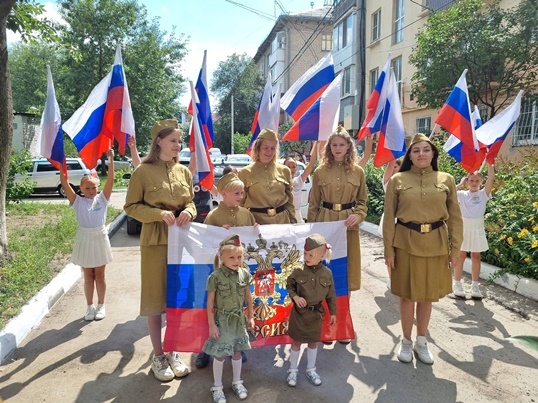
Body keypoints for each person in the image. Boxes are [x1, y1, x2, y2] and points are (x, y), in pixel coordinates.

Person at [124, 119, 196, 381]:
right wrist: (157, 213)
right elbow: (130, 207)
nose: (178, 145)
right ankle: (158, 355)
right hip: (155, 239)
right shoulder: (142, 171)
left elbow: (191, 203)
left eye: (179, 141)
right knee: (155, 301)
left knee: (177, 300)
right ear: (159, 142)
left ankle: (173, 351)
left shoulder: (184, 172)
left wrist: (188, 211)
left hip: (181, 239)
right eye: (173, 140)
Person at [383, 133, 463, 365]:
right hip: (405, 242)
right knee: (407, 296)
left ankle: (421, 340)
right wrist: (388, 250)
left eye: (426, 150)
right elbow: (389, 218)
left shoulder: (446, 179)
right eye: (416, 150)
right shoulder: (398, 180)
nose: (421, 154)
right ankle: (406, 341)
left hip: (436, 244)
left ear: (433, 154)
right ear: (410, 155)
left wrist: (455, 249)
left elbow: (456, 217)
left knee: (427, 297)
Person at [194, 172, 256, 370]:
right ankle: (206, 349)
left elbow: (252, 241)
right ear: (223, 194)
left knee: (236, 308)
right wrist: (218, 233)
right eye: (236, 193)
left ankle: (237, 346)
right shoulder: (214, 215)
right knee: (214, 309)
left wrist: (256, 229)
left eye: (242, 193)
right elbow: (205, 241)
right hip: (218, 275)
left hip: (238, 275)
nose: (240, 197)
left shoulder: (246, 214)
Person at [307, 126, 368, 294]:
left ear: (348, 146)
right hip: (325, 222)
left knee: (346, 269)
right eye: (334, 145)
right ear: (329, 147)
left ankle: (343, 312)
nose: (338, 149)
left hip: (348, 224)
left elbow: (363, 202)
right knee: (323, 264)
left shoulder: (358, 172)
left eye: (341, 145)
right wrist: (312, 232)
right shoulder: (320, 172)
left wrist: (358, 215)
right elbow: (314, 204)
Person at [61, 149, 115, 322]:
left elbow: (111, 180)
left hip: (99, 237)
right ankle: (89, 306)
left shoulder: (102, 199)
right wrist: (62, 166)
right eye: (87, 188)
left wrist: (111, 160)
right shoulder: (76, 201)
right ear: (81, 189)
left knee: (100, 275)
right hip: (84, 238)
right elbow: (64, 183)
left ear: (97, 187)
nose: (91, 190)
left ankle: (101, 305)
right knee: (88, 276)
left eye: (94, 187)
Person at [203, 234, 254, 403]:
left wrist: (251, 316)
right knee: (220, 355)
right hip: (222, 320)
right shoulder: (215, 277)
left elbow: (248, 297)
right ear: (222, 258)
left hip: (238, 319)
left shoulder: (244, 274)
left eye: (239, 257)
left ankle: (237, 382)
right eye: (231, 257)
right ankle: (217, 387)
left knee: (237, 352)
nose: (236, 260)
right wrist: (212, 325)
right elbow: (210, 303)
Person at [285, 234, 336, 387]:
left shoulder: (327, 273)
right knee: (296, 342)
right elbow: (290, 286)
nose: (307, 257)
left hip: (315, 315)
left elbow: (331, 295)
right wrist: (295, 297)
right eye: (305, 253)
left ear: (321, 255)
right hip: (299, 314)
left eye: (311, 255)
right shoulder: (297, 270)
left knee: (313, 343)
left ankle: (311, 370)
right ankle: (292, 371)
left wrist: (333, 313)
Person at [452, 162, 495, 299]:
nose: (474, 183)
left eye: (477, 180)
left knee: (476, 257)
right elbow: (447, 191)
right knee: (461, 256)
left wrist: (490, 163)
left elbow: (491, 179)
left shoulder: (484, 194)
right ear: (467, 181)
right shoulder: (462, 194)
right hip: (464, 226)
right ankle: (457, 283)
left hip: (477, 227)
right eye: (471, 180)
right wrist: (460, 184)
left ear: (481, 182)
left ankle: (475, 286)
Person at [238, 129, 297, 224]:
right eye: (265, 148)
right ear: (258, 148)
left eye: (273, 148)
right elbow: (240, 203)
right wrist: (244, 223)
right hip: (257, 224)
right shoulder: (245, 173)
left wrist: (293, 221)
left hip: (282, 222)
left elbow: (289, 201)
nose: (269, 152)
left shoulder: (285, 171)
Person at [377, 159, 402, 288]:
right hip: (390, 221)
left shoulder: (406, 182)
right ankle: (392, 280)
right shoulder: (388, 183)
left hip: (404, 222)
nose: (393, 170)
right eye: (391, 167)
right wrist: (393, 154)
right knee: (390, 251)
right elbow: (390, 164)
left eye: (396, 167)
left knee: (402, 253)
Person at [284, 141, 319, 223]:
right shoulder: (280, 183)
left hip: (297, 215)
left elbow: (310, 166)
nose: (291, 169)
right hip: (285, 215)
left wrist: (316, 145)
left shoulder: (298, 181)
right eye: (288, 167)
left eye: (293, 166)